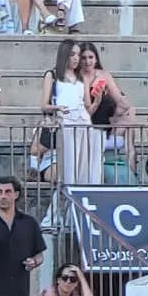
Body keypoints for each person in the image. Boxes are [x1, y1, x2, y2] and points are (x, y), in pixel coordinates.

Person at [42, 37, 101, 187]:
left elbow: (88, 108)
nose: (76, 58)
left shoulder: (83, 78)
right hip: (66, 124)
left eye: (77, 55)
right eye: (72, 54)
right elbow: (43, 105)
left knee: (85, 167)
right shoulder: (53, 75)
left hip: (84, 123)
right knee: (69, 167)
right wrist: (57, 108)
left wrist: (97, 100)